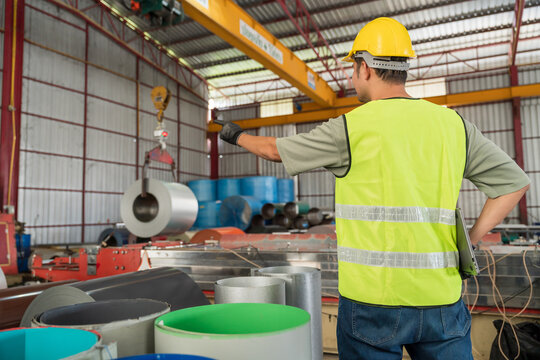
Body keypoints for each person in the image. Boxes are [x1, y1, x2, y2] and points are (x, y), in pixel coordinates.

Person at [218, 17, 530, 360]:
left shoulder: (352, 127)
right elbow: (513, 184)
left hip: (370, 302)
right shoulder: (453, 124)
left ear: (365, 67)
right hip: (441, 297)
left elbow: (275, 151)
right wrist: (470, 239)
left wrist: (234, 134)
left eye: (353, 68)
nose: (352, 77)